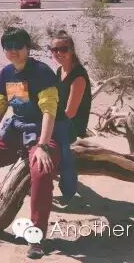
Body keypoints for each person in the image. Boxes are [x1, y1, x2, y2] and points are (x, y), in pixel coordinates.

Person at [0, 27, 61, 260]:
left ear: (28, 48)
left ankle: (36, 237)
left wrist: (43, 146)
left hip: (41, 133)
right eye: (8, 47)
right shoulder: (7, 73)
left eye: (18, 46)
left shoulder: (41, 72)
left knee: (41, 171)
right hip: (15, 132)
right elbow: (0, 107)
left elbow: (49, 111)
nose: (13, 51)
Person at [49, 30, 92, 204]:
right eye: (55, 49)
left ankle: (68, 188)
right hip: (62, 118)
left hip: (73, 124)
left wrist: (50, 123)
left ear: (71, 50)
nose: (59, 53)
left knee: (62, 147)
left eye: (63, 49)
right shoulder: (60, 70)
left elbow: (71, 112)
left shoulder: (78, 76)